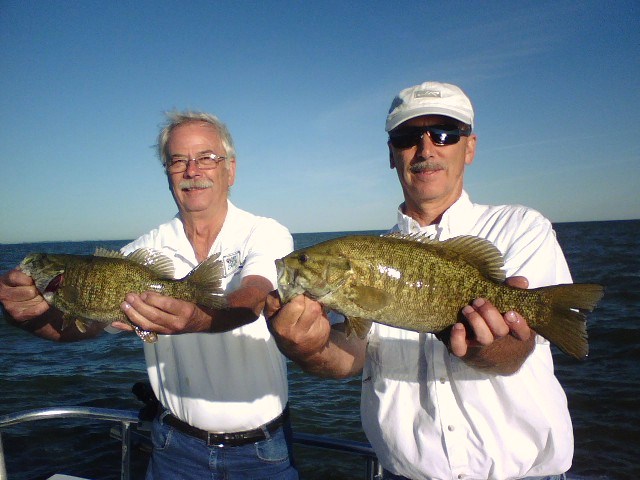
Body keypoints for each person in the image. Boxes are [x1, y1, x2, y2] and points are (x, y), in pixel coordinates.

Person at [267, 82, 573, 480]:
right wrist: (306, 348)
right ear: (392, 155)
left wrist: (491, 347)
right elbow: (349, 355)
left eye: (445, 133)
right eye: (408, 137)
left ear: (470, 147)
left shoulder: (522, 227)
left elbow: (518, 350)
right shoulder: (374, 252)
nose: (426, 149)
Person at [0, 111, 298, 480]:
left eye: (206, 157)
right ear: (167, 173)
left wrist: (202, 319)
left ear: (230, 169)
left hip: (262, 451)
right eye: (178, 161)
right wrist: (30, 317)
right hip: (174, 448)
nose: (193, 171)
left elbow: (255, 295)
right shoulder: (143, 250)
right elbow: (83, 327)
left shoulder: (265, 233)